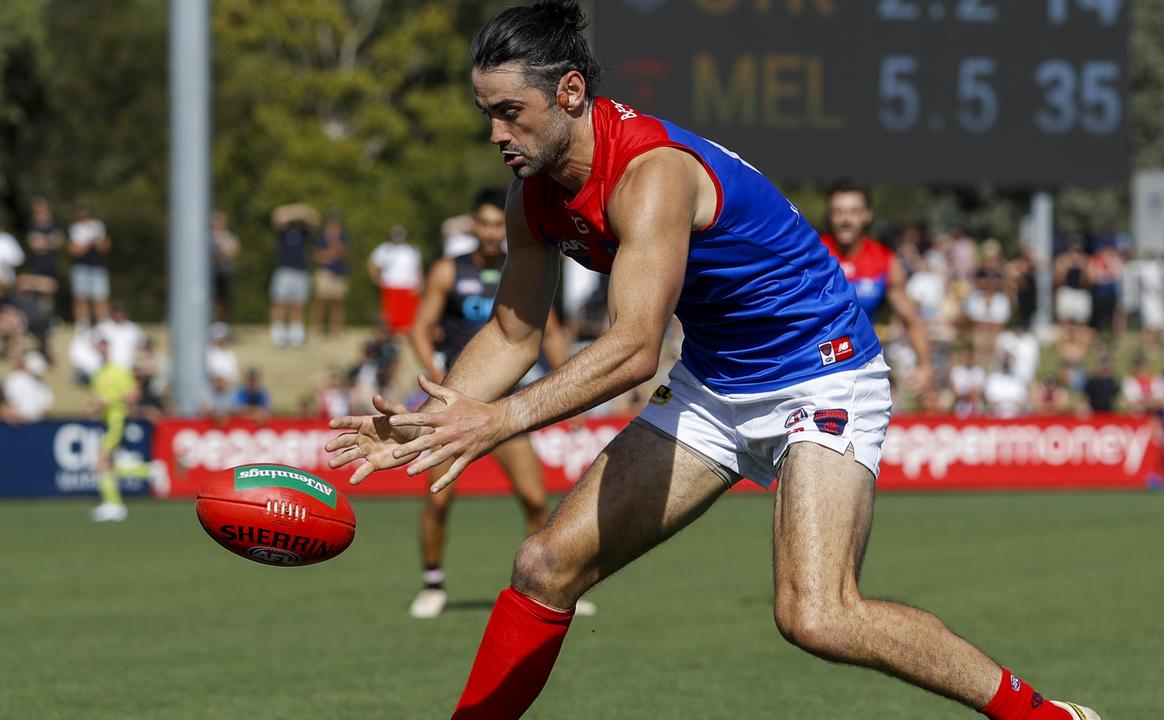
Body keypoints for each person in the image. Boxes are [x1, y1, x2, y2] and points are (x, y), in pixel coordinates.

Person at [325, 4, 1101, 719]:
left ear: (568, 92)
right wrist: (433, 421)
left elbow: (631, 349)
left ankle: (1044, 716)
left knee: (818, 615)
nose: (496, 134)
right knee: (543, 565)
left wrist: (497, 420)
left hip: (821, 372)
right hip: (717, 383)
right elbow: (515, 331)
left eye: (508, 113)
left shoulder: (651, 174)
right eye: (486, 115)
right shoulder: (533, 195)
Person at [405, 187, 585, 619]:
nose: (490, 232)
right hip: (454, 404)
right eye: (483, 224)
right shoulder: (449, 270)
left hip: (502, 408)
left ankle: (549, 586)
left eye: (495, 224)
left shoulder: (522, 267)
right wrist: (438, 377)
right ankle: (432, 585)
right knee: (438, 501)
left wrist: (569, 392)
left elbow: (552, 331)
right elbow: (419, 327)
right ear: (473, 225)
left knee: (535, 501)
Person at [820, 181, 932, 393]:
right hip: (815, 369)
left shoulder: (884, 261)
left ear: (867, 215)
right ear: (830, 215)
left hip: (862, 368)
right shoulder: (814, 255)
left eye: (853, 212)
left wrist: (924, 366)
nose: (845, 219)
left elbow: (911, 320)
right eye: (838, 212)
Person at [87, 334, 147, 522]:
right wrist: (95, 408)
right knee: (108, 464)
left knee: (102, 460)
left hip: (117, 420)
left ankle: (114, 504)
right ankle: (148, 472)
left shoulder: (119, 371)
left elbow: (133, 395)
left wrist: (109, 401)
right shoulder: (97, 374)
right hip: (105, 421)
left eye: (104, 346)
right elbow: (97, 400)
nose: (101, 349)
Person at [269, 202, 319, 347]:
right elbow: (276, 215)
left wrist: (304, 211)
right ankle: (279, 334)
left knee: (298, 304)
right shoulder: (283, 231)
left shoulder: (303, 232)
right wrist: (296, 210)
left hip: (300, 272)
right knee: (280, 302)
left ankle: (296, 335)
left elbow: (315, 219)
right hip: (284, 271)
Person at [367, 225, 423, 335]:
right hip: (391, 285)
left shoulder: (412, 250)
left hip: (408, 285)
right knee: (391, 315)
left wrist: (420, 282)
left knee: (408, 315)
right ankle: (390, 335)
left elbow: (418, 268)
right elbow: (373, 263)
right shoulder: (384, 249)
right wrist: (377, 279)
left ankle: (406, 336)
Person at [17, 197, 63, 318]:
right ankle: (31, 318)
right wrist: (49, 241)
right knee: (27, 288)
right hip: (36, 267)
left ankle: (47, 319)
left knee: (48, 295)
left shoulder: (54, 224)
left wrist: (44, 241)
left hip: (50, 266)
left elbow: (59, 241)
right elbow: (34, 243)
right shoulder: (31, 225)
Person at [67, 203, 112, 327]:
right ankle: (83, 325)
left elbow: (105, 246)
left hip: (98, 267)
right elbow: (74, 250)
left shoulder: (99, 226)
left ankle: (104, 324)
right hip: (80, 267)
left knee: (101, 297)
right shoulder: (74, 228)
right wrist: (89, 242)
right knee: (80, 298)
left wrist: (96, 241)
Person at [311, 210, 350, 336]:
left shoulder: (343, 236)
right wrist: (330, 254)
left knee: (337, 301)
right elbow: (317, 255)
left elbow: (342, 252)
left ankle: (336, 329)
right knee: (321, 300)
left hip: (339, 272)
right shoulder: (320, 236)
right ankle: (317, 327)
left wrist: (334, 241)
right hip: (324, 272)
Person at [211, 211, 240, 323]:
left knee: (222, 300)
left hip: (223, 273)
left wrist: (219, 254)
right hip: (209, 274)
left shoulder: (228, 236)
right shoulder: (207, 236)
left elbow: (233, 250)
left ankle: (221, 324)